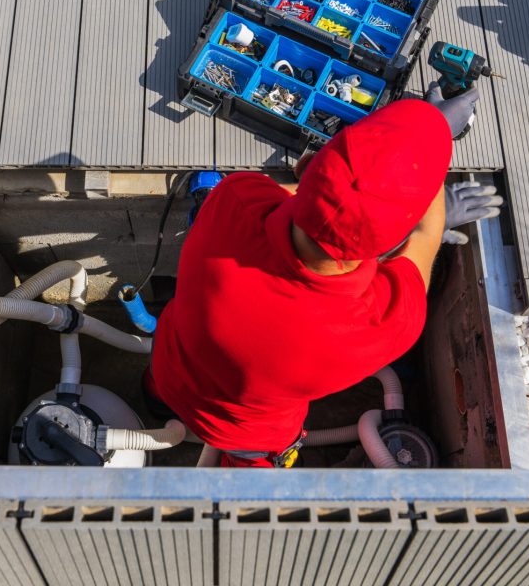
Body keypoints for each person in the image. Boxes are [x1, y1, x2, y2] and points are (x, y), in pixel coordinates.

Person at [144, 86, 503, 467]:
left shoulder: (234, 199)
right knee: (253, 472)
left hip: (169, 367)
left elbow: (323, 203)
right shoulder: (377, 325)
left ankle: (150, 402)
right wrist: (430, 145)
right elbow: (424, 240)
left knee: (161, 386)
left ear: (304, 166)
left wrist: (420, 130)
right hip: (247, 436)